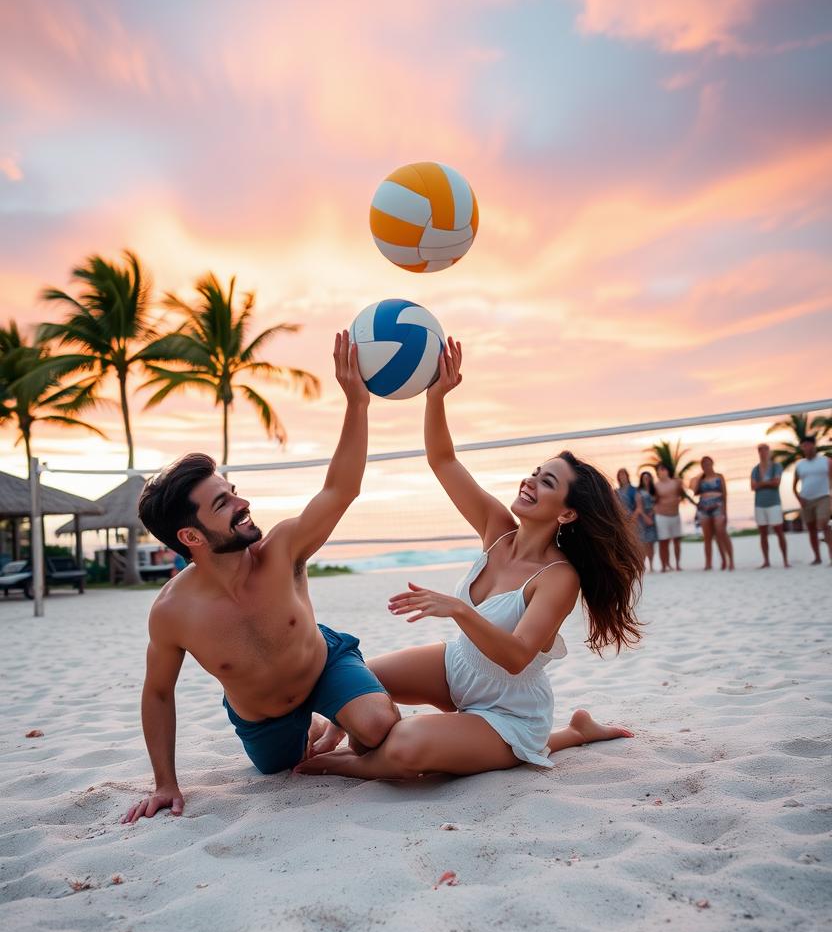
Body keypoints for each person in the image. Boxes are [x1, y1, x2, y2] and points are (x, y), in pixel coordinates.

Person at [296, 338, 642, 782]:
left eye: (547, 481)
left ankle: (548, 737)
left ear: (567, 512)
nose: (531, 480)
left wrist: (457, 608)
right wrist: (436, 396)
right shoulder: (497, 528)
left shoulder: (559, 577)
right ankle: (571, 731)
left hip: (509, 711)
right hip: (459, 667)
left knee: (403, 744)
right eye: (535, 471)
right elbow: (443, 460)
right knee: (358, 683)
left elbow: (517, 657)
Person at [121, 333, 399, 822]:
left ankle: (343, 707)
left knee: (377, 726)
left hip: (321, 663)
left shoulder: (283, 548)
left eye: (234, 492)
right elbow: (158, 693)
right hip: (260, 712)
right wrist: (165, 783)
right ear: (192, 536)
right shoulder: (172, 613)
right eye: (222, 503)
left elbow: (341, 488)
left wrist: (357, 403)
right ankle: (317, 729)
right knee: (279, 768)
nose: (242, 504)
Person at [793, 435, 832, 565]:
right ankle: (817, 557)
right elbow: (794, 485)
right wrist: (799, 498)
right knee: (811, 529)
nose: (806, 448)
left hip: (823, 497)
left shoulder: (826, 461)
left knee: (823, 524)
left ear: (813, 445)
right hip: (806, 500)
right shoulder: (800, 465)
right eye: (804, 446)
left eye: (808, 445)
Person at [690, 456, 733, 571]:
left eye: (708, 463)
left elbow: (724, 494)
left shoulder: (719, 477)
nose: (706, 466)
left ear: (712, 463)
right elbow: (694, 492)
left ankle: (730, 560)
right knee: (707, 537)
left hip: (718, 505)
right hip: (704, 507)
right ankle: (709, 563)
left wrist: (725, 511)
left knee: (721, 532)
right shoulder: (701, 479)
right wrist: (699, 478)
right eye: (703, 464)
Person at [751, 443, 787, 568]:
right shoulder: (755, 469)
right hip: (759, 504)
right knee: (763, 533)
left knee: (779, 531)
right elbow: (753, 486)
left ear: (769, 452)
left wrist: (761, 484)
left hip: (774, 503)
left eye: (765, 450)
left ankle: (785, 560)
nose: (763, 453)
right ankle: (766, 561)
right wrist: (767, 483)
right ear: (758, 452)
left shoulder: (776, 466)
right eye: (760, 451)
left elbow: (776, 483)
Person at [653, 463, 685, 572]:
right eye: (659, 470)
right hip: (661, 516)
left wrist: (681, 483)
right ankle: (664, 565)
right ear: (657, 473)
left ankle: (677, 564)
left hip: (675, 515)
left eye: (663, 469)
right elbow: (653, 500)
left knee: (677, 541)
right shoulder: (656, 486)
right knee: (663, 542)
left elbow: (682, 494)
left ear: (667, 471)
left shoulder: (676, 482)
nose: (661, 471)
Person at [635, 470, 657, 572]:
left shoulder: (654, 491)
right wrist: (646, 518)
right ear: (642, 480)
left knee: (651, 543)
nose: (646, 480)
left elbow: (657, 504)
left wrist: (652, 514)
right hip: (643, 519)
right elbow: (639, 508)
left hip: (653, 518)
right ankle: (643, 565)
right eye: (644, 478)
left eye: (648, 478)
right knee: (643, 543)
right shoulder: (639, 492)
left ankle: (652, 565)